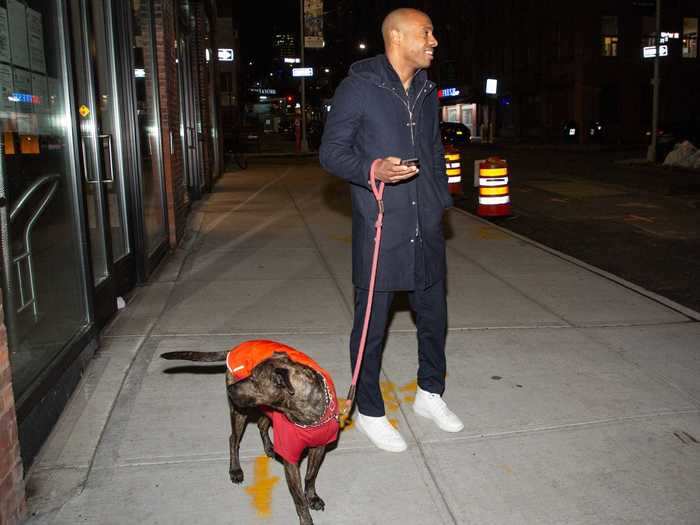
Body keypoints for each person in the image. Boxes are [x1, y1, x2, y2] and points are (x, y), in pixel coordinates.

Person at [319, 7, 464, 453]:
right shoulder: (358, 87)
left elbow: (433, 153)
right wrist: (373, 167)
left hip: (426, 225)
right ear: (397, 37)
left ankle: (430, 394)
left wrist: (440, 202)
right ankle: (368, 410)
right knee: (372, 326)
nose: (434, 40)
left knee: (434, 319)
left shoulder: (426, 89)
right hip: (382, 228)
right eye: (427, 32)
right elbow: (330, 153)